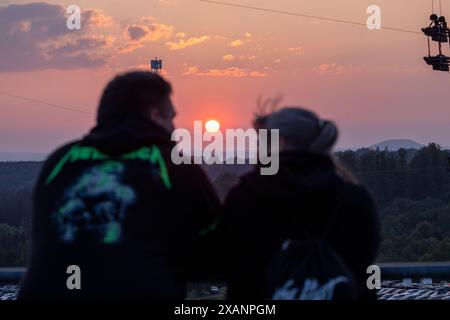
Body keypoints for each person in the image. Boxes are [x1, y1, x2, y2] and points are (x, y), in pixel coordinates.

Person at [19, 71, 221, 299]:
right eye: (170, 117)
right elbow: (217, 250)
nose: (175, 127)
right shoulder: (172, 166)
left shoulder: (60, 162)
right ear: (155, 116)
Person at [220, 107, 381, 300]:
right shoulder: (354, 198)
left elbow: (228, 258)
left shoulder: (244, 197)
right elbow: (366, 257)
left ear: (280, 141)